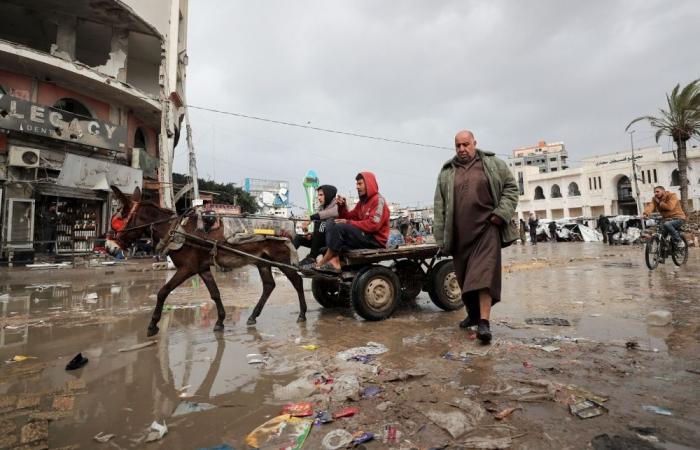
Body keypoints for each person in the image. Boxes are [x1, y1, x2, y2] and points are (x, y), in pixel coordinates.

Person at [433, 130, 519, 344]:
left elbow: (511, 188)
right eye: (458, 146)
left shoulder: (492, 164)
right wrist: (441, 238)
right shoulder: (446, 172)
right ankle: (473, 314)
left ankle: (484, 323)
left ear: (474, 143)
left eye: (466, 144)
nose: (462, 149)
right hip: (460, 234)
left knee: (483, 277)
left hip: (487, 229)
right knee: (465, 279)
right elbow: (439, 206)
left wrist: (501, 214)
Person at [316, 172, 390, 272]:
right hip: (364, 237)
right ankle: (331, 254)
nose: (357, 187)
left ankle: (332, 259)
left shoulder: (378, 201)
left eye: (360, 184)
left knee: (340, 227)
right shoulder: (362, 203)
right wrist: (342, 207)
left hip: (374, 240)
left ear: (369, 184)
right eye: (356, 184)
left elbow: (374, 225)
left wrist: (349, 222)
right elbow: (350, 216)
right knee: (331, 222)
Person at [294, 185, 339, 267]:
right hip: (319, 241)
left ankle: (312, 258)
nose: (318, 198)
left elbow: (327, 214)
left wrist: (310, 219)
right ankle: (288, 257)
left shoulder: (337, 205)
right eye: (318, 195)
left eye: (321, 195)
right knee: (299, 238)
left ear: (328, 194)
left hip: (331, 242)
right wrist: (312, 234)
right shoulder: (322, 207)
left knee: (321, 224)